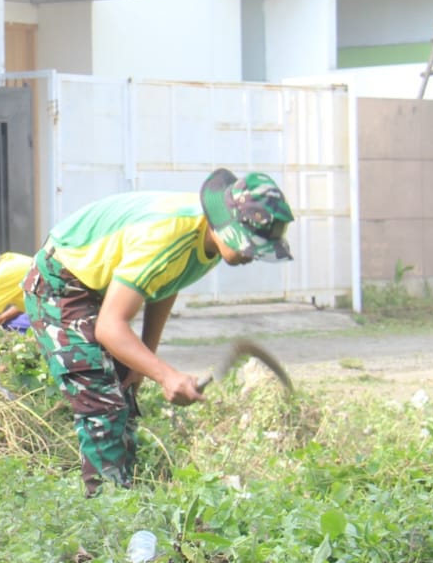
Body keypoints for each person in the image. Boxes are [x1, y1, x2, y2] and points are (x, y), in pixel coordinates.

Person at [22, 169, 293, 496]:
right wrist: (165, 376)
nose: (253, 257)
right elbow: (110, 326)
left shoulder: (206, 239)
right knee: (102, 402)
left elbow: (166, 283)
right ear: (228, 226)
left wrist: (142, 363)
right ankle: (105, 514)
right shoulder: (168, 235)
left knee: (125, 392)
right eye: (252, 247)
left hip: (97, 284)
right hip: (60, 282)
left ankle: (125, 494)